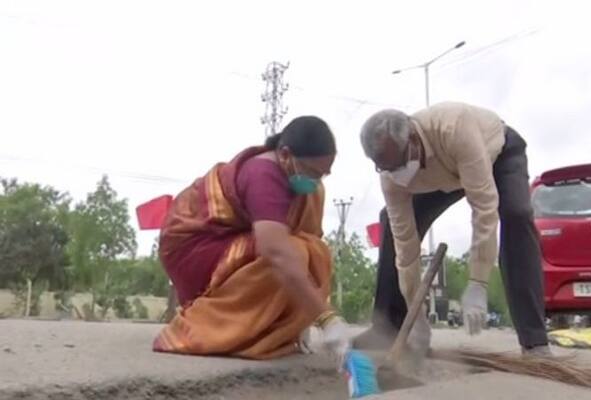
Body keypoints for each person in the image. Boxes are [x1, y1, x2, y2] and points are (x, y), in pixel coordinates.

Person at [153, 116, 350, 367]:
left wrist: (302, 320)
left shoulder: (306, 186)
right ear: (285, 154)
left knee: (316, 252)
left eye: (323, 174)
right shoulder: (263, 174)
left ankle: (279, 332)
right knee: (293, 254)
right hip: (197, 249)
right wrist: (325, 318)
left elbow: (310, 238)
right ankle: (210, 329)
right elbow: (274, 251)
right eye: (312, 172)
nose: (316, 181)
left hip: (240, 244)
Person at [355, 102, 550, 356]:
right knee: (390, 224)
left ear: (412, 139)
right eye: (385, 168)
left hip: (492, 154)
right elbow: (406, 246)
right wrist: (418, 316)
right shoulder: (392, 177)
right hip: (442, 176)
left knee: (516, 214)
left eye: (398, 164)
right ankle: (393, 326)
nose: (395, 174)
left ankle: (534, 339)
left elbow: (484, 207)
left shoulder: (454, 126)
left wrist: (478, 283)